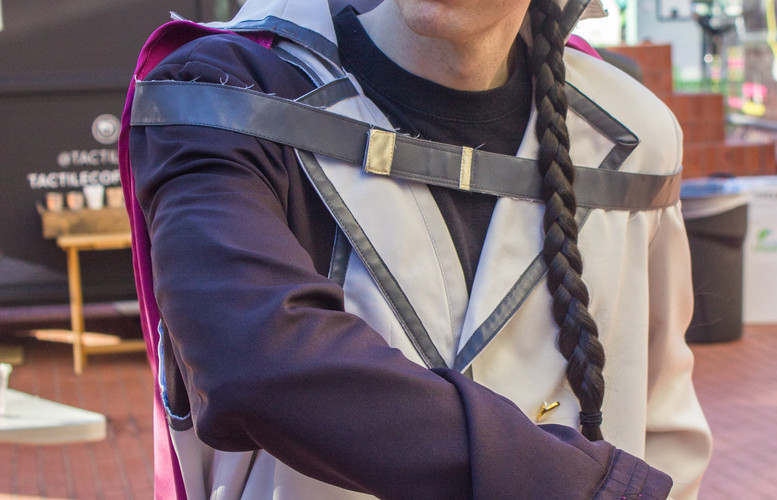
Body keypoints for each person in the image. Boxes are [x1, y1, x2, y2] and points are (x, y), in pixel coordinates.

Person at [120, 0, 712, 498]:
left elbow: (660, 416)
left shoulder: (637, 137)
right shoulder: (220, 91)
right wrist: (584, 488)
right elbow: (253, 357)